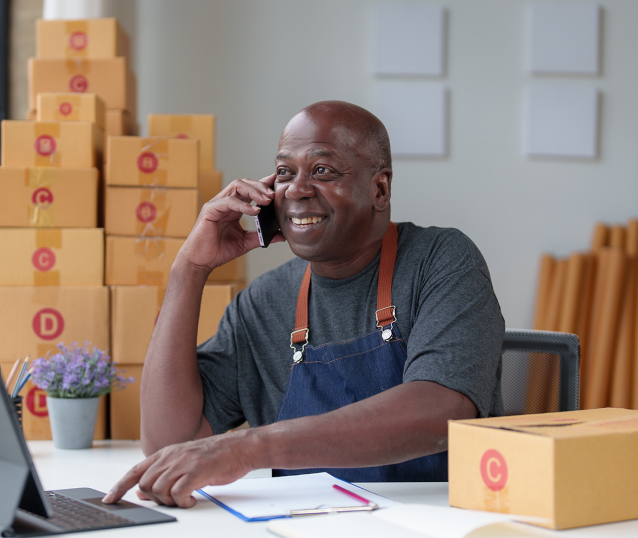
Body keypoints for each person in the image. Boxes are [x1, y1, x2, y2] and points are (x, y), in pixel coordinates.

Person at [103, 101, 505, 508]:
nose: (296, 189)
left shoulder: (441, 260)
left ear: (379, 189)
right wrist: (188, 270)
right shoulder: (263, 304)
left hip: (433, 522)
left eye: (323, 171)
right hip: (304, 523)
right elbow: (167, 443)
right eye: (283, 173)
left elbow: (440, 410)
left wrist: (251, 447)